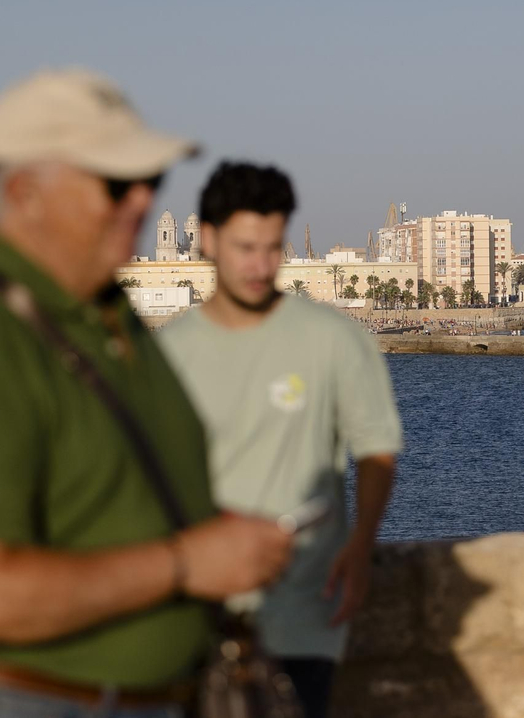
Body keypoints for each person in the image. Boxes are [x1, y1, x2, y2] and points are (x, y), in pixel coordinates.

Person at [0, 70, 293, 717]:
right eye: (113, 183)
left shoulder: (102, 311)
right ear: (25, 193)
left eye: (150, 182)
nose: (141, 201)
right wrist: (187, 562)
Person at [160, 162, 403, 717]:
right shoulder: (169, 353)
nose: (260, 266)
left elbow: (376, 448)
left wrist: (362, 545)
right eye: (246, 247)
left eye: (273, 248)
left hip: (302, 616)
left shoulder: (333, 339)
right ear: (208, 240)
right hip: (194, 613)